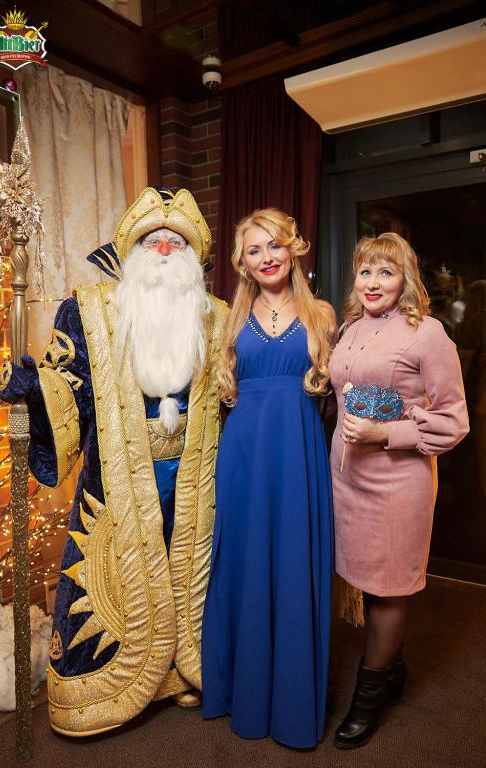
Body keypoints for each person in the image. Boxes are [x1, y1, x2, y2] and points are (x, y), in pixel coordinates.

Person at [0, 187, 228, 736]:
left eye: (176, 242)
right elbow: (67, 383)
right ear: (132, 250)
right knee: (118, 578)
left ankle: (183, 674)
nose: (164, 250)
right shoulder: (87, 309)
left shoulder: (216, 316)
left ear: (194, 256)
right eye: (153, 241)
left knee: (193, 574)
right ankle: (107, 691)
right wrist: (35, 389)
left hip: (198, 475)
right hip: (119, 477)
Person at [201, 208, 336, 749]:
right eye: (254, 250)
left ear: (293, 249)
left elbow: (347, 390)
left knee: (293, 566)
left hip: (299, 455)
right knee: (246, 564)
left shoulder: (322, 315)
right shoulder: (230, 318)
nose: (267, 257)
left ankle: (292, 707)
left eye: (274, 245)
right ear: (243, 262)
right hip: (245, 458)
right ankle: (247, 697)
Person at [329, 232, 469, 750]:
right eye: (365, 271)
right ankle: (393, 668)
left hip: (397, 483)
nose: (372, 282)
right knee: (367, 581)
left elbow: (453, 423)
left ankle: (368, 700)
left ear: (405, 279)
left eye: (385, 272)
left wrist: (386, 433)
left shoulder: (427, 333)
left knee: (388, 588)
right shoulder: (349, 328)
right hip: (346, 478)